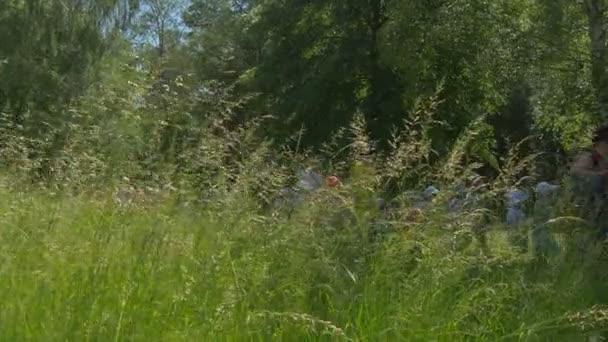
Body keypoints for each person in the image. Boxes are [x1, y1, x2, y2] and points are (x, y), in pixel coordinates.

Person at [570, 126, 608, 239]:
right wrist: (599, 175)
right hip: (586, 205)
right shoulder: (590, 156)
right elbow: (575, 172)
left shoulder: (603, 160)